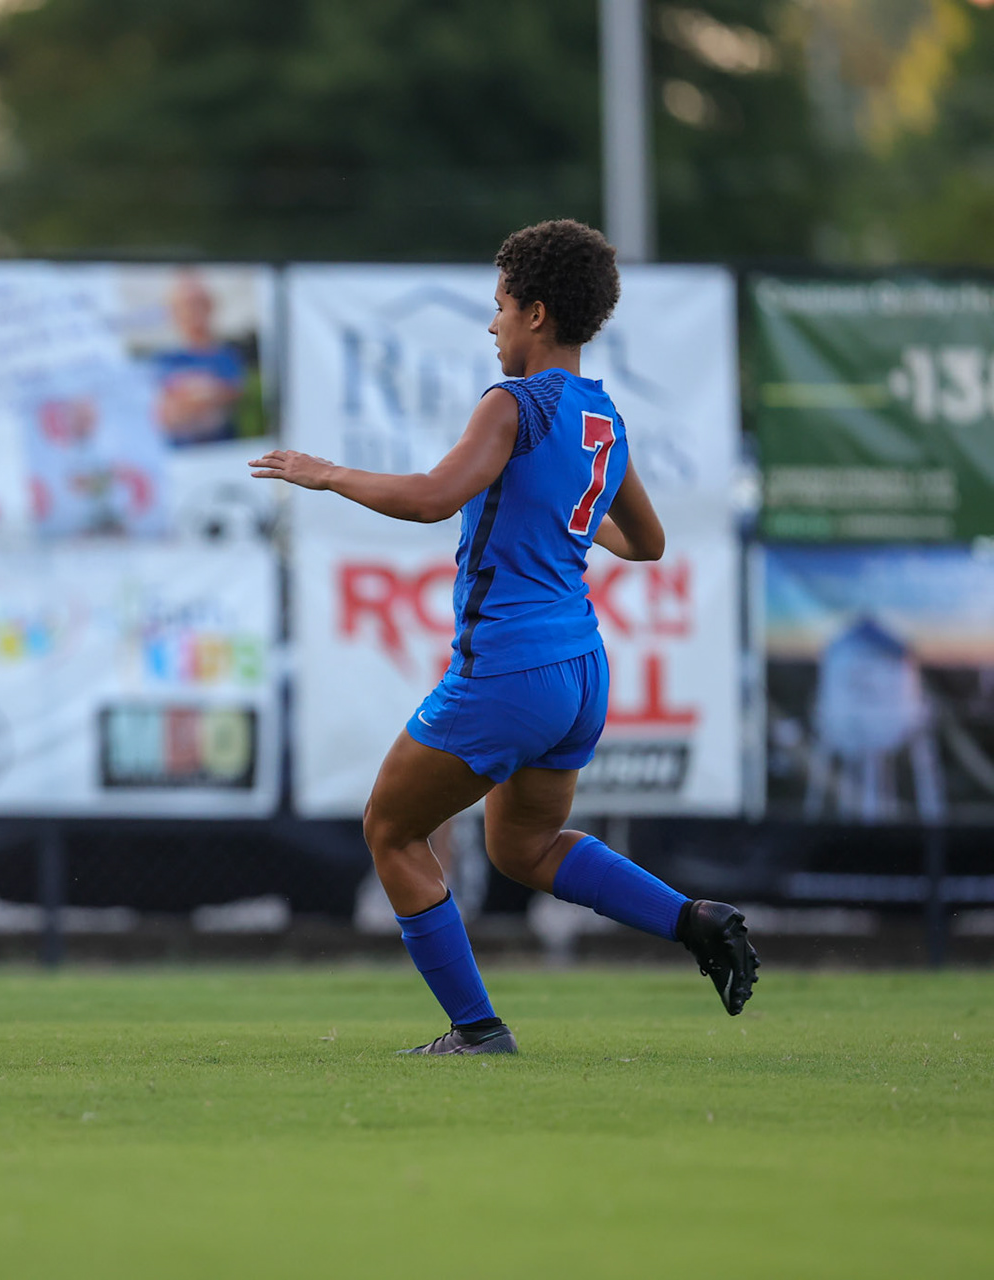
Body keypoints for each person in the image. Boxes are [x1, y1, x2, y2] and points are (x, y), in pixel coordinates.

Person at [250, 219, 757, 1055]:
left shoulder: (513, 402)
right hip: (582, 671)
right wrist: (566, 524)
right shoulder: (602, 416)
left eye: (499, 307)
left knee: (389, 828)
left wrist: (325, 472)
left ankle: (477, 1029)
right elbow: (648, 541)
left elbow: (431, 497)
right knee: (523, 847)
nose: (492, 325)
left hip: (511, 670)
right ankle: (695, 920)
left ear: (536, 313)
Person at [152, 270, 248, 446]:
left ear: (210, 307)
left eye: (198, 305)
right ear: (174, 313)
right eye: (186, 306)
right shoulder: (165, 359)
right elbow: (162, 412)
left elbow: (232, 394)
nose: (193, 312)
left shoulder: (226, 354)